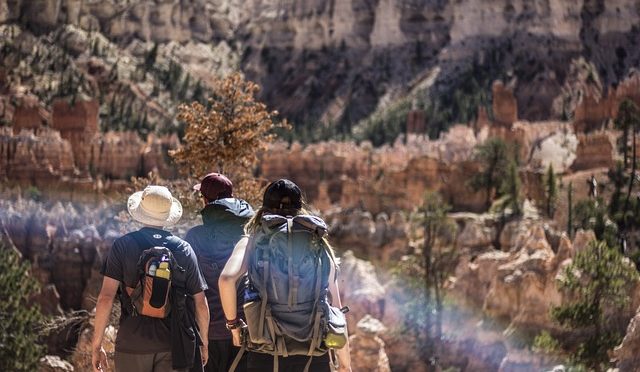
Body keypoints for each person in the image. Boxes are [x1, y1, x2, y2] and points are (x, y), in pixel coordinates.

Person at [219, 179, 352, 372]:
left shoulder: (252, 240)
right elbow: (337, 310)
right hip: (313, 352)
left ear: (264, 209)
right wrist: (345, 365)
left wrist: (233, 326)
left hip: (265, 350)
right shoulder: (318, 244)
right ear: (300, 209)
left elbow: (226, 279)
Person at [92, 185, 210, 372]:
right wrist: (204, 342)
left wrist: (96, 346)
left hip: (131, 343)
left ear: (141, 212)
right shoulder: (184, 249)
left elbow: (106, 298)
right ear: (167, 216)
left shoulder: (122, 245)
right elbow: (201, 303)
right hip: (171, 345)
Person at [185, 173, 255, 372]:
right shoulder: (247, 236)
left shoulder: (194, 237)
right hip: (243, 329)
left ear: (206, 200)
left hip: (207, 331)